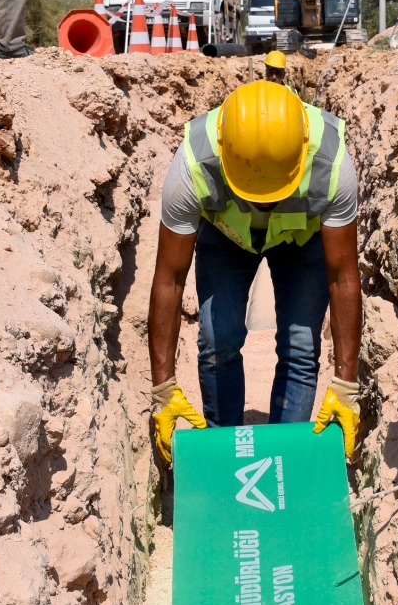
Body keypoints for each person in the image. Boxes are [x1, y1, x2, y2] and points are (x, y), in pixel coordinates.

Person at [148, 81, 363, 463]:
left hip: (302, 240)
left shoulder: (333, 166)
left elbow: (342, 275)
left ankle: (285, 462)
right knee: (218, 339)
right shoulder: (192, 165)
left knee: (301, 346)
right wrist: (163, 388)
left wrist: (346, 384)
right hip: (226, 238)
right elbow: (169, 277)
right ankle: (225, 454)